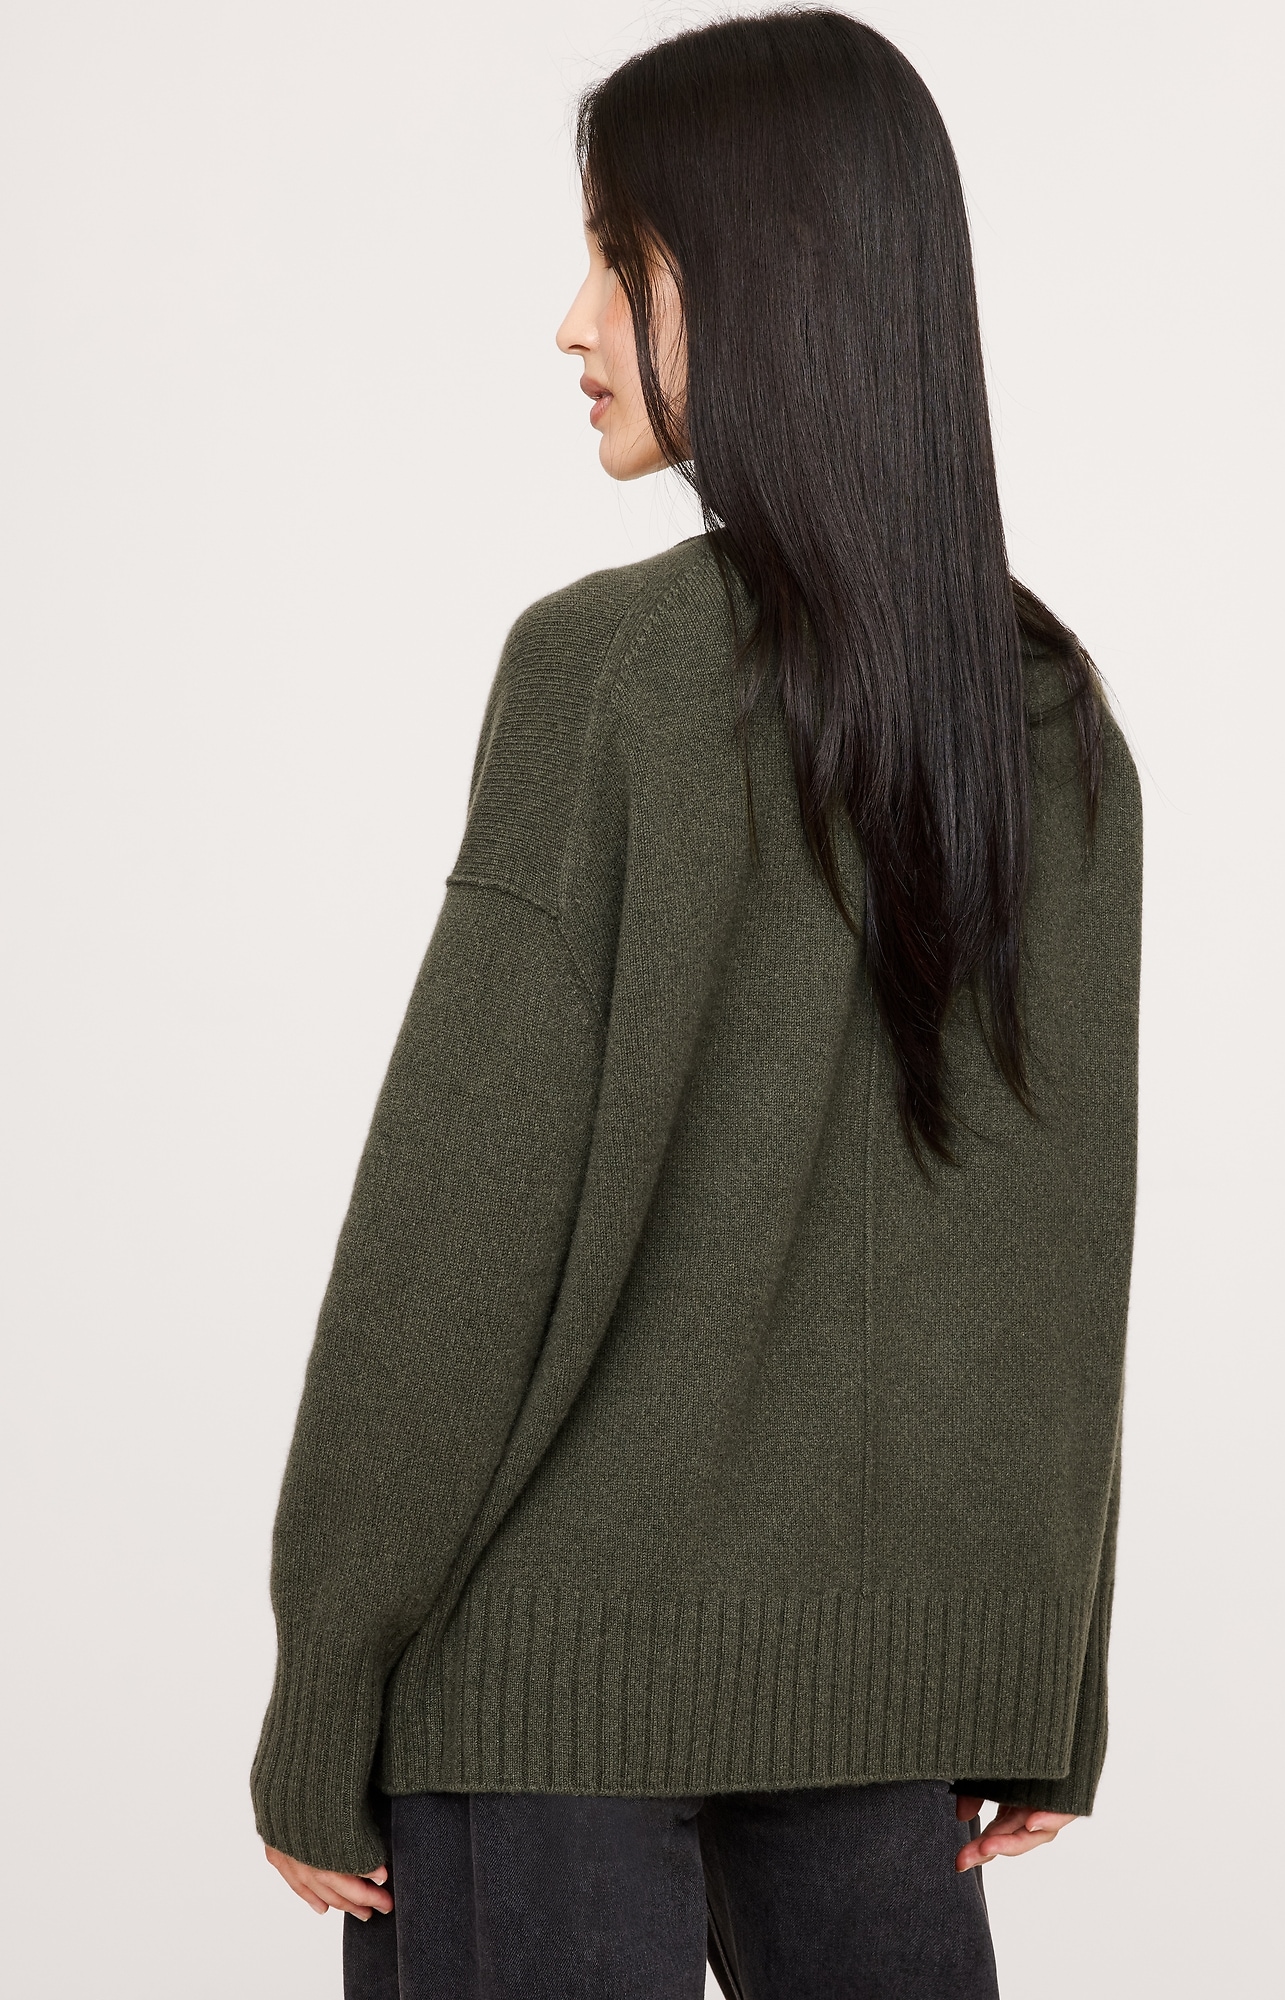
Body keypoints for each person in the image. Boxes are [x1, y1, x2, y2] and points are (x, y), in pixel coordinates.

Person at [252, 12, 1142, 1997]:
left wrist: (326, 1678)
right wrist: (1040, 1669)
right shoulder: (1050, 727)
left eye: (620, 257)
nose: (569, 324)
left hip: (538, 1697)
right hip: (882, 1707)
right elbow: (1049, 1251)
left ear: (767, 278)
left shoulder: (613, 675)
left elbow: (458, 1224)